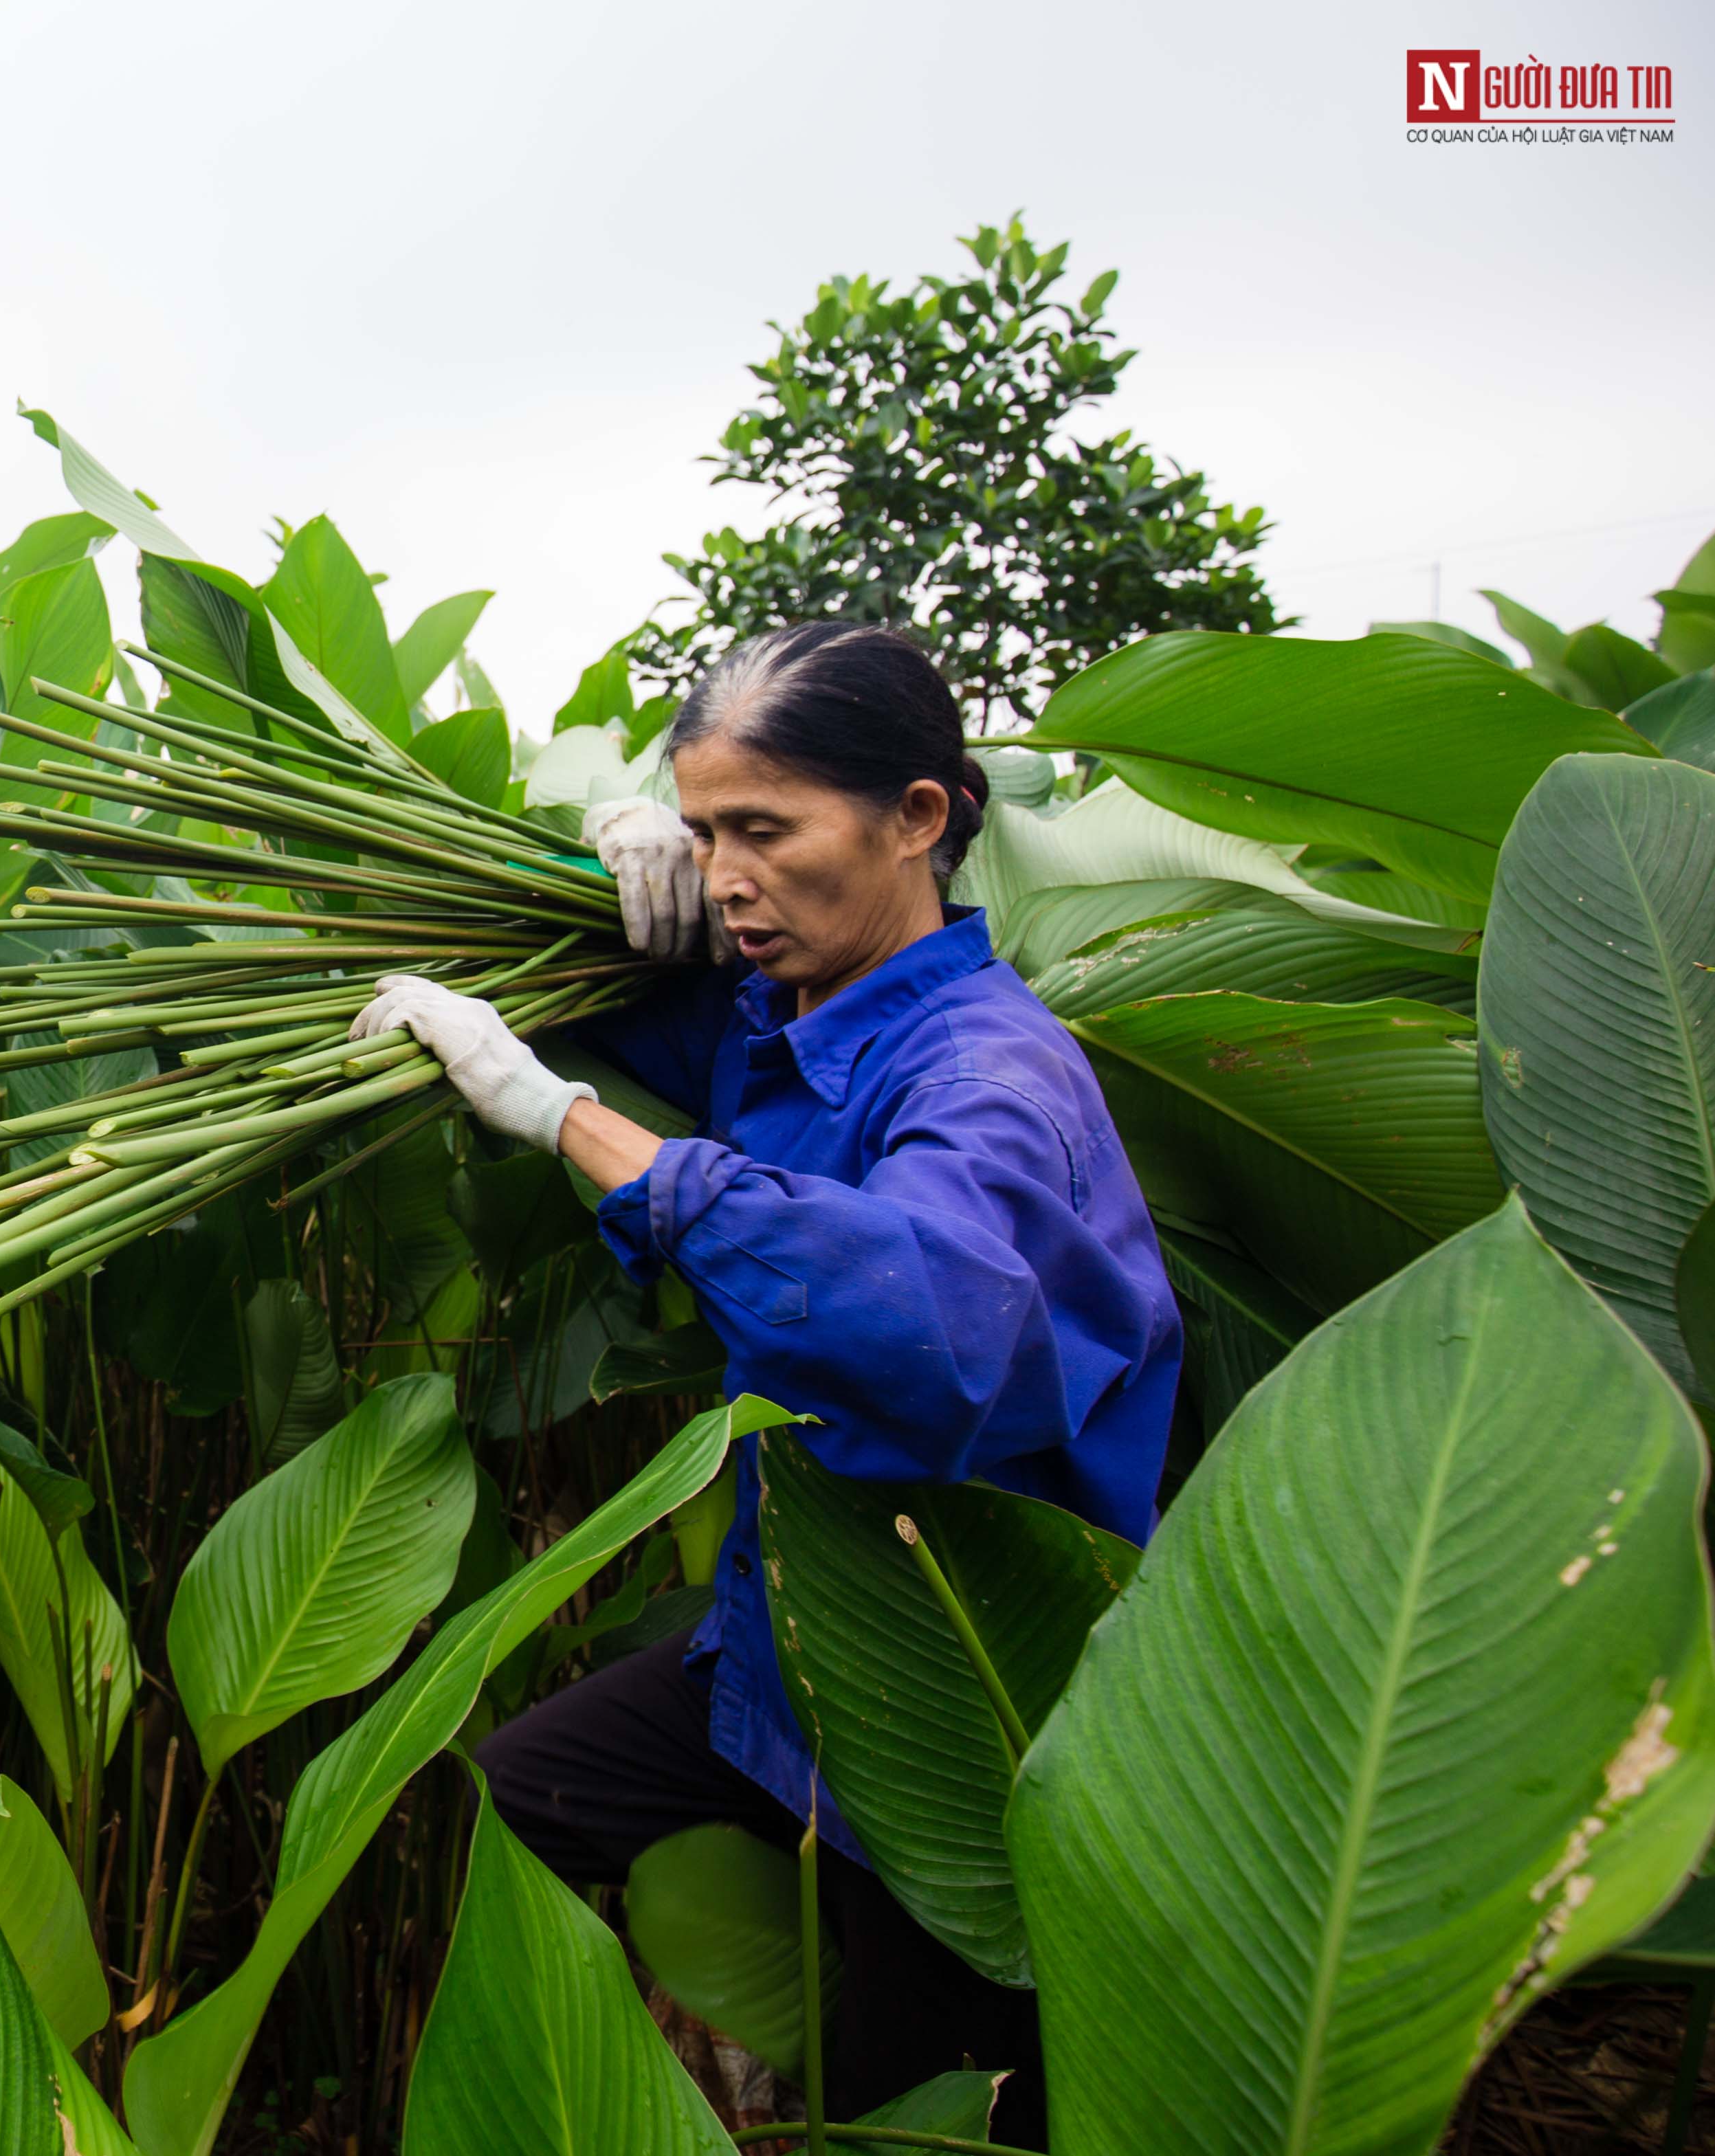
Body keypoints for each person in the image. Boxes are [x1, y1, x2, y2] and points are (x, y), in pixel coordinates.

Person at [347, 621, 1180, 2145]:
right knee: (525, 1789)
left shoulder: (983, 1074)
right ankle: (713, 2059)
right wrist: (598, 863)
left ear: (917, 817)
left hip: (964, 1689)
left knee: (923, 2100)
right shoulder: (777, 1008)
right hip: (788, 1645)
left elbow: (932, 1324)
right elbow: (552, 979)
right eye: (705, 830)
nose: (727, 878)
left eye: (765, 832)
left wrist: (567, 1121)